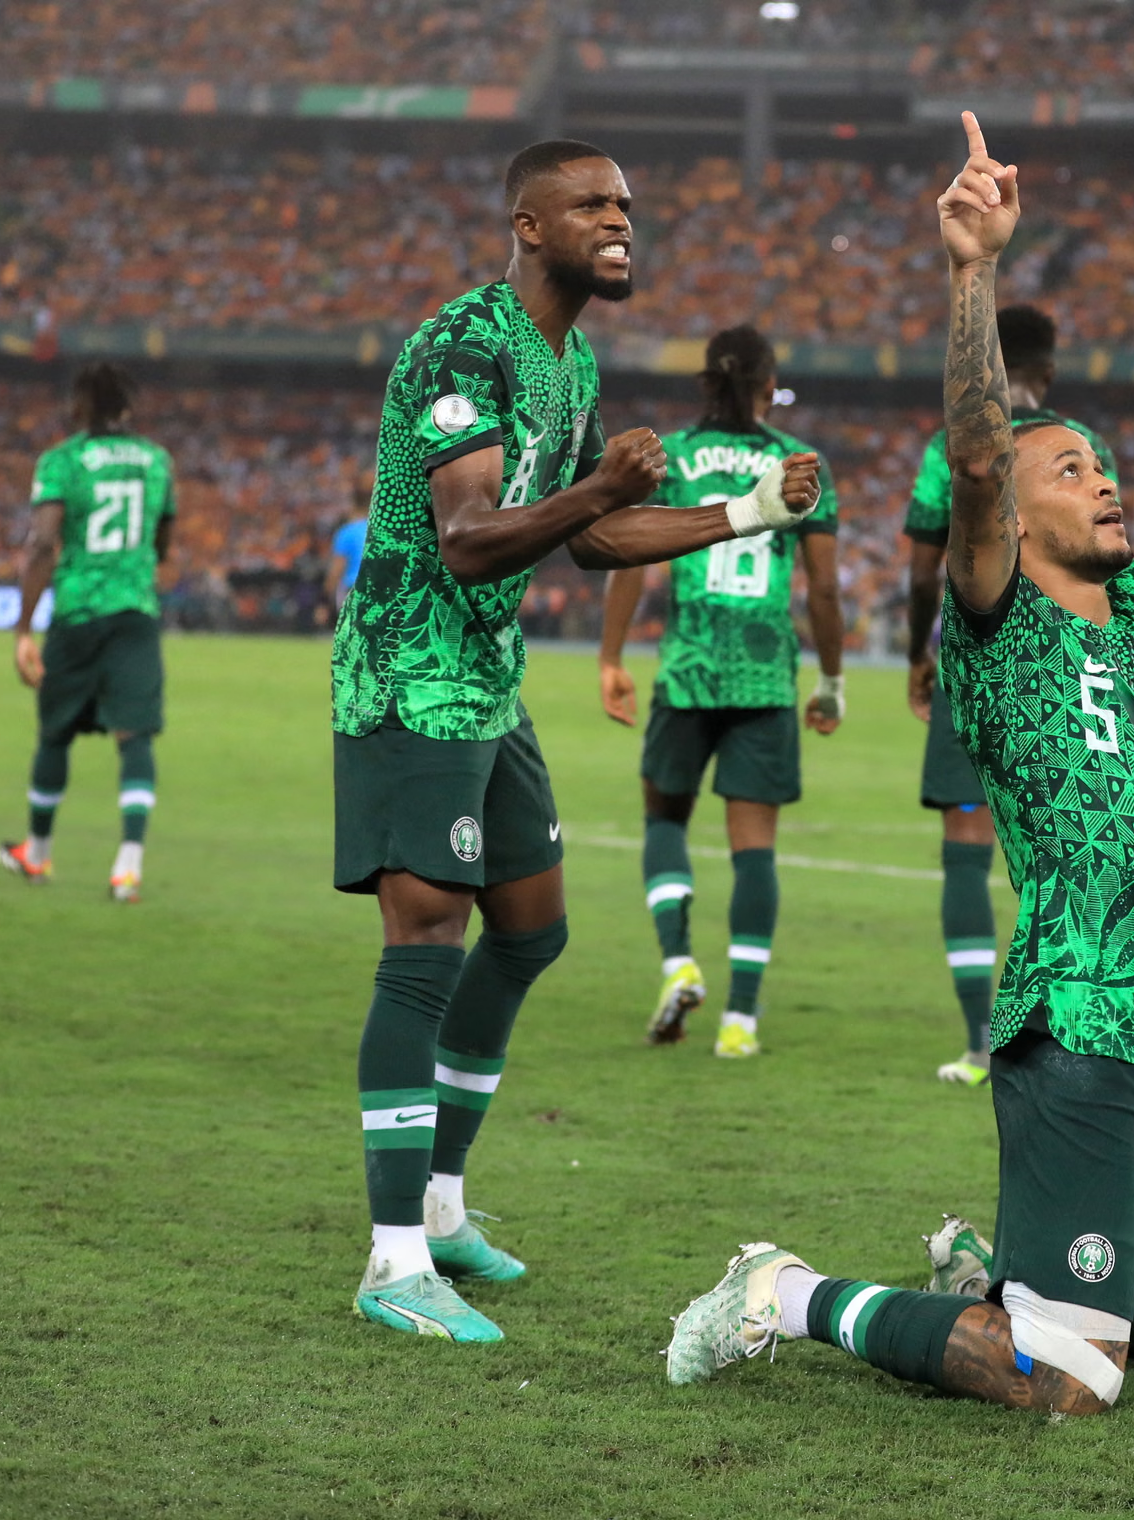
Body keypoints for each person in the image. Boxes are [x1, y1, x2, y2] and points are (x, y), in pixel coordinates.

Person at [666, 113, 1134, 1413]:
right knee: (1066, 1383)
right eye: (1069, 471)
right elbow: (974, 457)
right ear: (1013, 518)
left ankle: (1017, 1279)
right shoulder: (997, 620)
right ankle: (783, 1291)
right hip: (1081, 1027)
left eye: (1105, 465)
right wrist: (972, 272)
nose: (1104, 481)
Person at [332, 139, 825, 1345]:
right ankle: (394, 1256)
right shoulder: (465, 344)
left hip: (487, 680)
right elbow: (468, 540)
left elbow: (592, 538)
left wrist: (748, 509)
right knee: (426, 941)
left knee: (530, 927)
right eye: (593, 204)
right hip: (410, 673)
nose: (620, 221)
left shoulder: (569, 359)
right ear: (528, 224)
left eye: (627, 205)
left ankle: (440, 1203)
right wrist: (601, 489)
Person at [598, 326, 844, 1057]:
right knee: (754, 850)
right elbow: (824, 588)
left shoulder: (671, 456)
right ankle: (740, 1020)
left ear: (705, 382)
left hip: (689, 667)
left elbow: (630, 556)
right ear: (769, 387)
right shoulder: (799, 463)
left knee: (664, 820)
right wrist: (831, 680)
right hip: (765, 675)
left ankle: (679, 963)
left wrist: (611, 657)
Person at [903, 305, 1118, 1088]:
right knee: (1074, 849)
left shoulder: (954, 446)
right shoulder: (1082, 448)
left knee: (965, 850)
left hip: (975, 667)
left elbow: (923, 568)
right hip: (1066, 676)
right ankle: (1085, 1033)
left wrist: (917, 655)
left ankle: (977, 1044)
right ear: (1049, 371)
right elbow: (1108, 560)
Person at [0, 363, 175, 902]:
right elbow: (162, 542)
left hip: (76, 612)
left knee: (55, 733)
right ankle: (127, 867)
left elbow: (43, 543)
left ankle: (38, 852)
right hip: (135, 611)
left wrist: (23, 629)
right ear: (127, 407)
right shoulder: (156, 460)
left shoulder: (62, 461)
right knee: (135, 735)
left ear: (79, 408)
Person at [325, 498, 369, 609]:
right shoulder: (379, 530)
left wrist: (324, 598)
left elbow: (337, 569)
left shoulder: (346, 532)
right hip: (378, 587)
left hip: (353, 587)